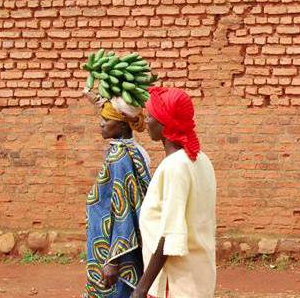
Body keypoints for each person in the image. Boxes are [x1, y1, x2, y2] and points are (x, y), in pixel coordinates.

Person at [131, 87, 217, 298]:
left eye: (151, 116)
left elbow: (170, 235)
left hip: (176, 282)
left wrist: (142, 288)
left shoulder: (175, 167)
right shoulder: (200, 160)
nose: (147, 121)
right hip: (198, 275)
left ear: (164, 122)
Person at [85, 98, 153, 298]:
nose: (101, 123)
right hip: (112, 244)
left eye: (107, 120)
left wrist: (113, 261)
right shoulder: (132, 150)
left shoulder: (120, 157)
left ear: (122, 125)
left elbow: (122, 209)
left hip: (113, 251)